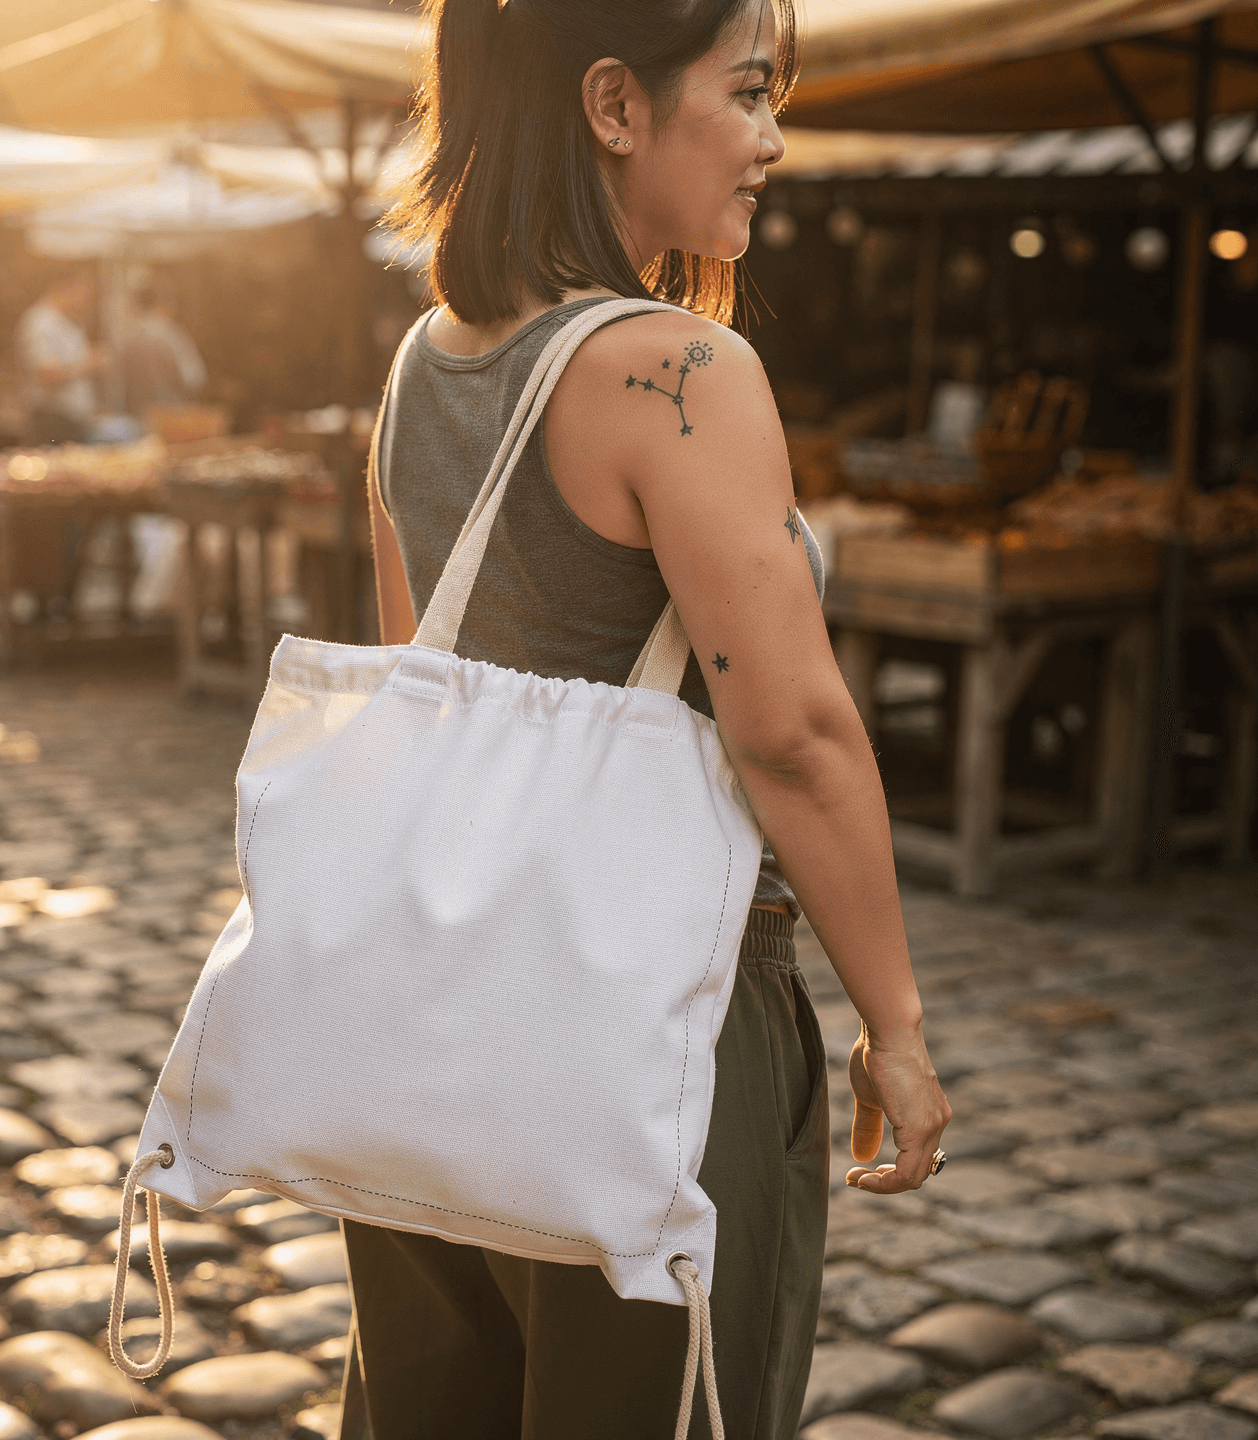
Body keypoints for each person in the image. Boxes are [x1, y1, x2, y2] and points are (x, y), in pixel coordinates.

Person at [348, 2, 953, 1437]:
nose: (773, 140)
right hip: (649, 1018)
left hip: (428, 1010)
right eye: (748, 94)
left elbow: (411, 683)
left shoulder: (425, 356)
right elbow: (792, 734)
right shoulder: (678, 370)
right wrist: (900, 1028)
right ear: (614, 106)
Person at [15, 273, 103, 443]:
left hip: (72, 421)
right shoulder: (41, 323)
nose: (88, 301)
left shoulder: (67, 323)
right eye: (85, 294)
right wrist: (89, 365)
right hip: (53, 421)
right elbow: (46, 374)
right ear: (67, 288)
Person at [119, 281, 208, 419]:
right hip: (173, 419)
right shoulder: (172, 335)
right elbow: (194, 379)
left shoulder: (127, 338)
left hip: (138, 420)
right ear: (167, 301)